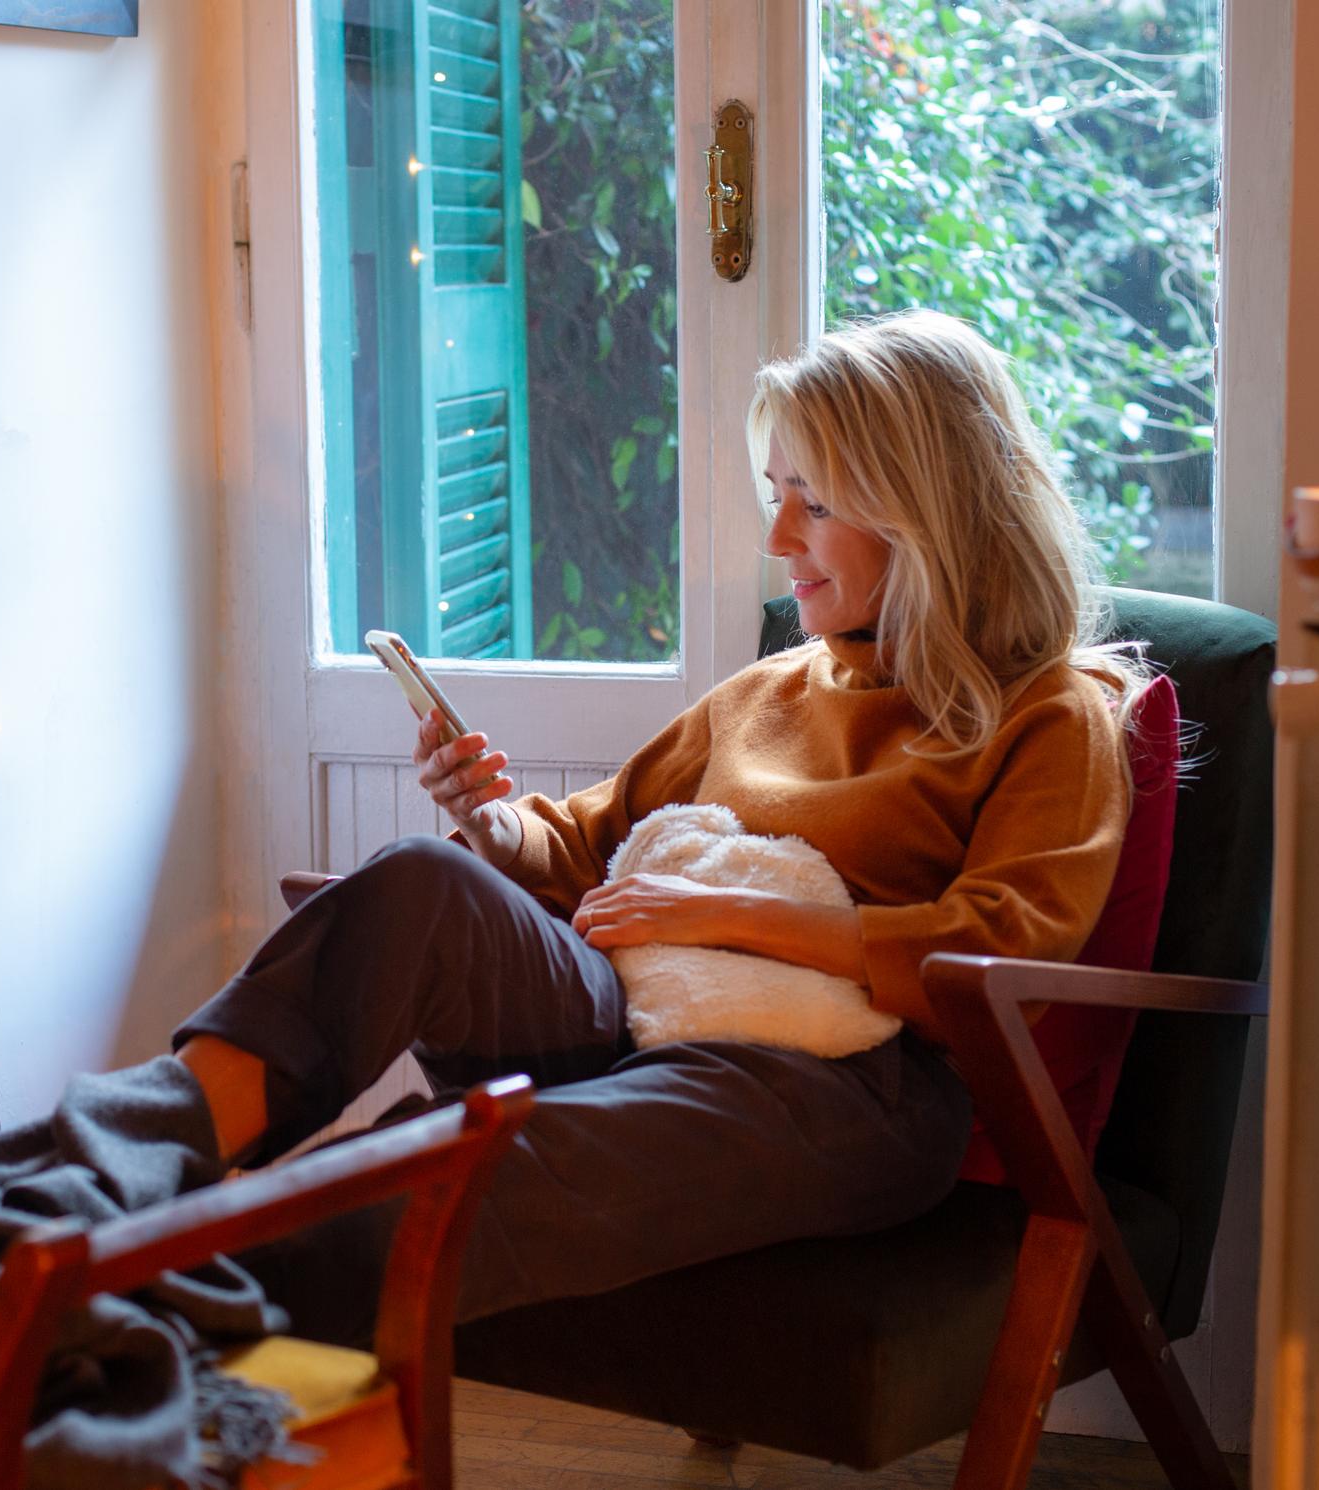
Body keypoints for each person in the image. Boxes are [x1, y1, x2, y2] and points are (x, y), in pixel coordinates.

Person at [172, 309, 1149, 1340]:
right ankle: (124, 1171)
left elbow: (999, 952)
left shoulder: (1048, 712)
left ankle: (142, 1288)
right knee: (423, 878)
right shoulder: (767, 691)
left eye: (812, 505)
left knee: (490, 1151)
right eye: (778, 496)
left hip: (844, 1084)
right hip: (633, 1015)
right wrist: (494, 825)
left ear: (929, 513)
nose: (778, 539)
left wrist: (727, 914)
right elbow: (590, 847)